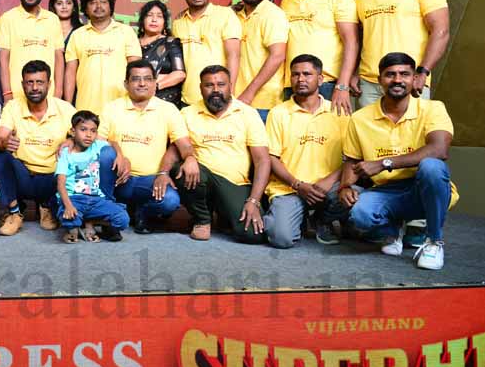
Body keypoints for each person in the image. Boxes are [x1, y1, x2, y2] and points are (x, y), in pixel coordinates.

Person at [339, 52, 457, 270]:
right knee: (360, 214)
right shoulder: (360, 118)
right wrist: (345, 187)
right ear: (379, 80)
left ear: (415, 79)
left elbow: (439, 149)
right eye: (390, 74)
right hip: (386, 190)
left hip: (423, 188)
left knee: (432, 167)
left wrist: (384, 163)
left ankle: (434, 242)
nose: (397, 80)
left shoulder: (433, 108)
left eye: (404, 74)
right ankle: (391, 232)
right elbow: (351, 159)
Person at [262, 55, 351, 249]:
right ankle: (298, 217)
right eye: (295, 74)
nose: (300, 79)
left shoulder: (338, 111)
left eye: (307, 74)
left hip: (328, 188)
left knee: (357, 196)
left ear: (320, 79)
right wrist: (297, 184)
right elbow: (272, 158)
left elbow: (351, 158)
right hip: (289, 188)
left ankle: (322, 219)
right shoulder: (278, 113)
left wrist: (329, 181)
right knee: (281, 238)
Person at [98, 60, 196, 234]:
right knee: (105, 154)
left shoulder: (168, 109)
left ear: (154, 82)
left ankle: (142, 212)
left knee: (170, 201)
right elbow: (97, 144)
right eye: (136, 79)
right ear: (126, 84)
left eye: (148, 79)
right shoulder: (112, 108)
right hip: (118, 179)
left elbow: (183, 144)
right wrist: (120, 154)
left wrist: (189, 158)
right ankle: (109, 212)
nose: (142, 83)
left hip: (150, 181)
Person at [175, 65, 270, 243]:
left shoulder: (247, 113)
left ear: (230, 85)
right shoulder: (187, 113)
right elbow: (174, 150)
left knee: (253, 235)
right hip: (201, 180)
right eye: (209, 85)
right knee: (181, 169)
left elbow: (262, 161)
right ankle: (202, 219)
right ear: (200, 88)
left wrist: (254, 201)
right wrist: (166, 171)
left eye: (221, 84)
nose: (215, 90)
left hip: (235, 183)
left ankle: (224, 213)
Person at [355, 0, 449, 107]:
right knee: (368, 127)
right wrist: (354, 73)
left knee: (412, 126)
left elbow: (440, 30)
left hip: (409, 80)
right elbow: (359, 38)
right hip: (370, 84)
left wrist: (423, 72)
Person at [0, 60, 76, 236]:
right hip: (24, 176)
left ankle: (47, 206)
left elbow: (86, 136)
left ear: (49, 84)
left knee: (73, 161)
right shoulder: (13, 107)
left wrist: (71, 140)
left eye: (40, 82)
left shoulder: (65, 109)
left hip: (52, 179)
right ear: (23, 84)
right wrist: (4, 142)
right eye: (30, 82)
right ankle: (14, 212)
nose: (35, 87)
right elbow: (0, 137)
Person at [281, 0, 358, 115]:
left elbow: (351, 41)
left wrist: (342, 85)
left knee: (330, 131)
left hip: (327, 84)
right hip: (292, 83)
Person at [64, 0, 142, 115]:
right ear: (85, 8)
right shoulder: (77, 35)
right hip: (85, 108)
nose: (98, 6)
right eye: (92, 2)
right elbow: (70, 74)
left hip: (121, 107)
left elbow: (136, 70)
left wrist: (135, 102)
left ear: (111, 6)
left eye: (103, 2)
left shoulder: (126, 32)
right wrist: (67, 107)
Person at [56, 111, 130, 243]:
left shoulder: (96, 145)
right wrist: (68, 206)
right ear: (73, 131)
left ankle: (90, 221)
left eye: (93, 131)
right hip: (74, 199)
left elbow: (113, 143)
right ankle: (76, 226)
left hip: (96, 199)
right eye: (83, 129)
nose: (89, 134)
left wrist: (119, 155)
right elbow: (60, 184)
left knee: (123, 220)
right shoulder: (66, 153)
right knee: (69, 218)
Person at [172, 0, 241, 107]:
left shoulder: (225, 15)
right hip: (187, 99)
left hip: (218, 97)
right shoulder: (178, 23)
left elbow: (234, 56)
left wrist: (229, 93)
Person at [0, 0, 65, 103]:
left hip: (48, 96)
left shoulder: (52, 19)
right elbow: (2, 59)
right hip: (17, 96)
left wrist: (58, 92)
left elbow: (58, 58)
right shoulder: (7, 18)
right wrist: (7, 93)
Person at [234, 0, 288, 122]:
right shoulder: (234, 15)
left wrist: (249, 93)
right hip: (236, 99)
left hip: (263, 102)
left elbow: (277, 56)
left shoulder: (272, 14)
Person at [137, 0, 186, 109]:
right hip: (136, 101)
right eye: (149, 15)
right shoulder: (132, 43)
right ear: (142, 20)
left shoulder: (170, 43)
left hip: (165, 103)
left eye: (159, 16)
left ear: (164, 22)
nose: (154, 20)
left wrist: (155, 85)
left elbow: (179, 74)